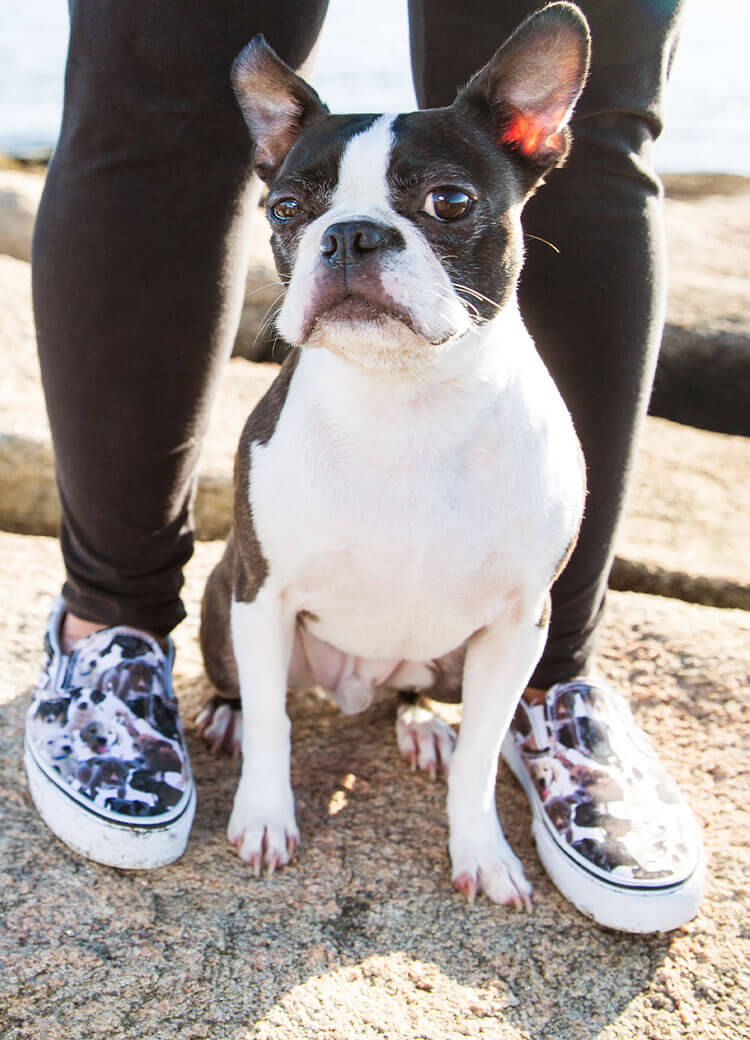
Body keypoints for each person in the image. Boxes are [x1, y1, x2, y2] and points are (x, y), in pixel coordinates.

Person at [25, 0, 702, 930]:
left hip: (481, 492)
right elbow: (266, 588)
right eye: (303, 213)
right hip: (296, 616)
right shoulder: (285, 443)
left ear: (529, 139)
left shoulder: (542, 456)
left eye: (447, 204)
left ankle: (549, 689)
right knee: (154, 82)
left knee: (613, 125)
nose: (349, 245)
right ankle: (107, 630)